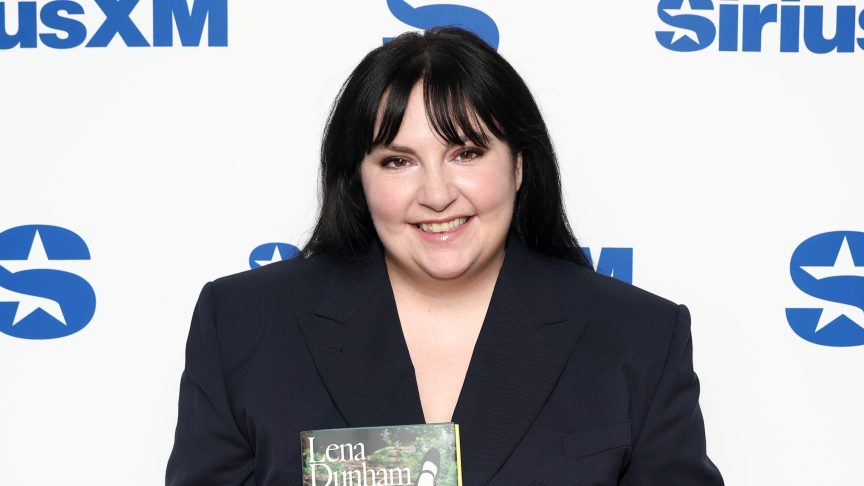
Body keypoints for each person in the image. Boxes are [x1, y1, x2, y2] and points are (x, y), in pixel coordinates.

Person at [166, 27, 724, 485]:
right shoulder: (242, 323)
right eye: (398, 161)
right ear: (357, 178)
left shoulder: (640, 336)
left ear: (519, 166)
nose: (436, 194)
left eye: (466, 153)